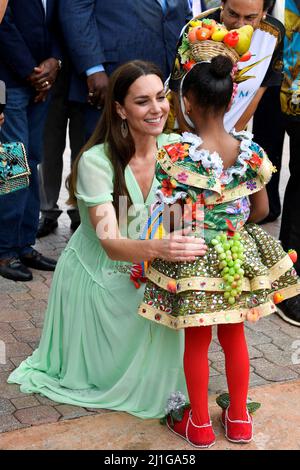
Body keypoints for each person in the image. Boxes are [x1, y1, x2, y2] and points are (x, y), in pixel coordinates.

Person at [8, 61, 207, 419]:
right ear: (119, 109)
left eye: (160, 98)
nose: (157, 109)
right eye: (142, 101)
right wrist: (162, 249)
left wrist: (191, 233)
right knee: (113, 377)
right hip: (100, 273)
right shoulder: (95, 162)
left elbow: (182, 218)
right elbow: (110, 242)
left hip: (150, 268)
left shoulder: (178, 149)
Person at [138, 55, 300, 447]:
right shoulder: (251, 153)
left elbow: (173, 218)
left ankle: (198, 424)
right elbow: (262, 210)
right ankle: (240, 420)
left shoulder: (176, 157)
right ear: (231, 103)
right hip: (236, 256)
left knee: (196, 341)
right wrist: (231, 224)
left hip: (192, 255)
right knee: (234, 337)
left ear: (187, 103)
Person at [59, 0, 193, 140]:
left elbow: (184, 15)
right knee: (105, 155)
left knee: (164, 155)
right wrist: (93, 68)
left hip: (169, 83)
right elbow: (76, 8)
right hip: (110, 82)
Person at [0, 0, 62, 282]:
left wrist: (54, 63)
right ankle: (5, 249)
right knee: (13, 163)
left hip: (42, 85)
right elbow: (4, 25)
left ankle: (24, 244)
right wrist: (32, 73)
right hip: (12, 83)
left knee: (32, 159)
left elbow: (60, 23)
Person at [167, 0, 284, 133]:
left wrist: (233, 136)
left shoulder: (274, 35)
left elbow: (259, 90)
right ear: (222, 4)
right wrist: (188, 138)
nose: (240, 25)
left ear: (264, 12)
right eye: (233, 14)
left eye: (250, 18)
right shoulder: (197, 29)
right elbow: (176, 89)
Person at [37, 59, 85, 237]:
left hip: (85, 76)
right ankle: (47, 211)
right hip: (47, 78)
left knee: (84, 153)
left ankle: (82, 212)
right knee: (47, 151)